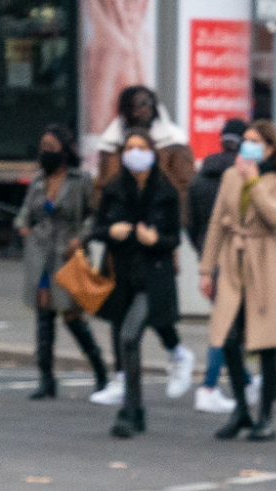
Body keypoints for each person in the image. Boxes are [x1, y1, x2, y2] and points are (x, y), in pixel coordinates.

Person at [85, 85, 197, 402]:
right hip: (120, 253)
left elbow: (181, 196)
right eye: (136, 104)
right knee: (120, 313)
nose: (142, 109)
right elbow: (100, 203)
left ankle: (177, 353)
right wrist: (110, 229)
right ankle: (122, 379)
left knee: (155, 314)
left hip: (154, 251)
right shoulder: (112, 157)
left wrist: (164, 237)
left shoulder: (171, 149)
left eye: (147, 103)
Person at [200, 120, 276, 442]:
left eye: (255, 142)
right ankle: (241, 409)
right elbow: (217, 222)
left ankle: (265, 417)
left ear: (271, 148)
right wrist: (206, 269)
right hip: (233, 262)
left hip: (267, 263)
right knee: (229, 338)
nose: (247, 147)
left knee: (267, 344)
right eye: (245, 140)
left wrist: (254, 183)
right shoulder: (230, 175)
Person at [93, 129, 183, 437]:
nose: (135, 153)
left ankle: (129, 410)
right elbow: (97, 226)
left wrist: (156, 239)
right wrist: (110, 231)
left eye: (141, 147)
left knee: (130, 336)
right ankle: (136, 409)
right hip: (121, 275)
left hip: (152, 275)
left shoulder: (165, 190)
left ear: (152, 152)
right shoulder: (115, 187)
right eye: (129, 148)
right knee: (123, 339)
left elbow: (174, 237)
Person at [15, 124, 106, 401]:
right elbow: (24, 213)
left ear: (65, 151)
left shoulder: (81, 180)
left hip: (68, 254)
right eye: (43, 147)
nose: (45, 153)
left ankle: (101, 372)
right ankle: (46, 378)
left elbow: (95, 214)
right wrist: (23, 227)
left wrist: (82, 238)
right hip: (41, 253)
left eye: (51, 148)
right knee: (44, 314)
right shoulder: (38, 181)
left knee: (71, 315)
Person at [187, 116, 248, 415]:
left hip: (211, 260)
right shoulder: (242, 178)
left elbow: (192, 224)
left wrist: (203, 254)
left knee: (227, 323)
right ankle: (209, 386)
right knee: (227, 326)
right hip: (240, 259)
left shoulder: (200, 180)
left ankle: (245, 381)